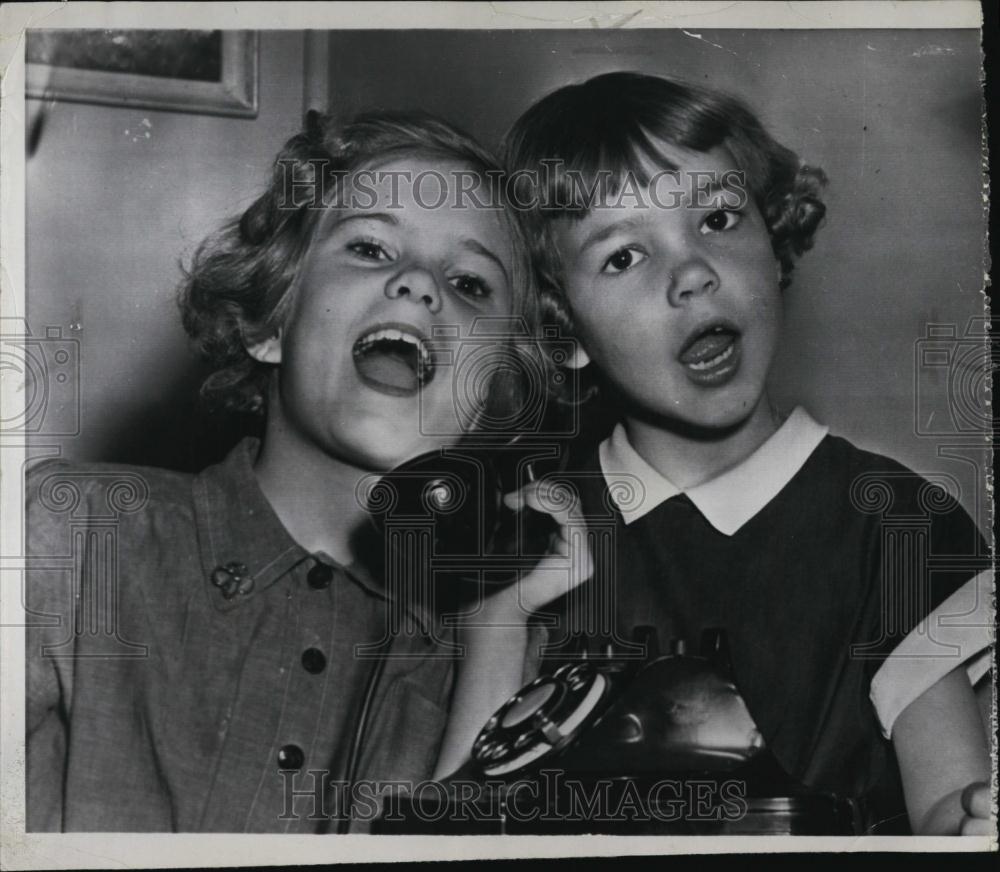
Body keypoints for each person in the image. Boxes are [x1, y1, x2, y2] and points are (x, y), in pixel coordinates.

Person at [436, 72, 992, 835]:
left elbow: (946, 802)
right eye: (624, 257)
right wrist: (499, 619)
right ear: (562, 332)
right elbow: (451, 825)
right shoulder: (541, 528)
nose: (693, 270)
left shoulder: (898, 527)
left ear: (775, 240)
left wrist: (970, 823)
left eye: (720, 218)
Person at [25, 110, 586, 832]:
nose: (420, 284)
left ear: (495, 393)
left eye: (471, 284)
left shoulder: (507, 662)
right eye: (372, 248)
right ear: (267, 326)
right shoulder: (70, 538)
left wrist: (497, 631)